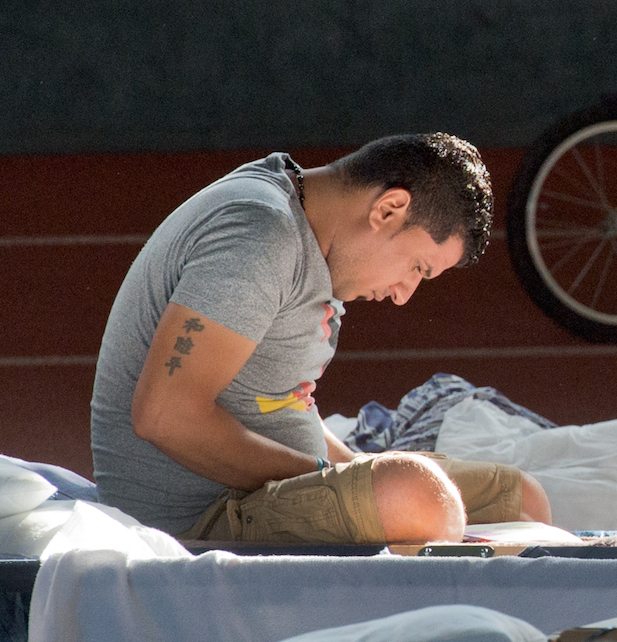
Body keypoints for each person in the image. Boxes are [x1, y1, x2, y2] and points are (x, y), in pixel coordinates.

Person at [90, 134, 553, 543]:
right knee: (418, 496)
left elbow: (282, 401)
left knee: (521, 498)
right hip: (196, 519)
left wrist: (351, 467)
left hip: (258, 491)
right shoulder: (259, 236)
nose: (403, 295)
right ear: (388, 209)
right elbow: (164, 416)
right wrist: (329, 477)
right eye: (418, 268)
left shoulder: (312, 236)